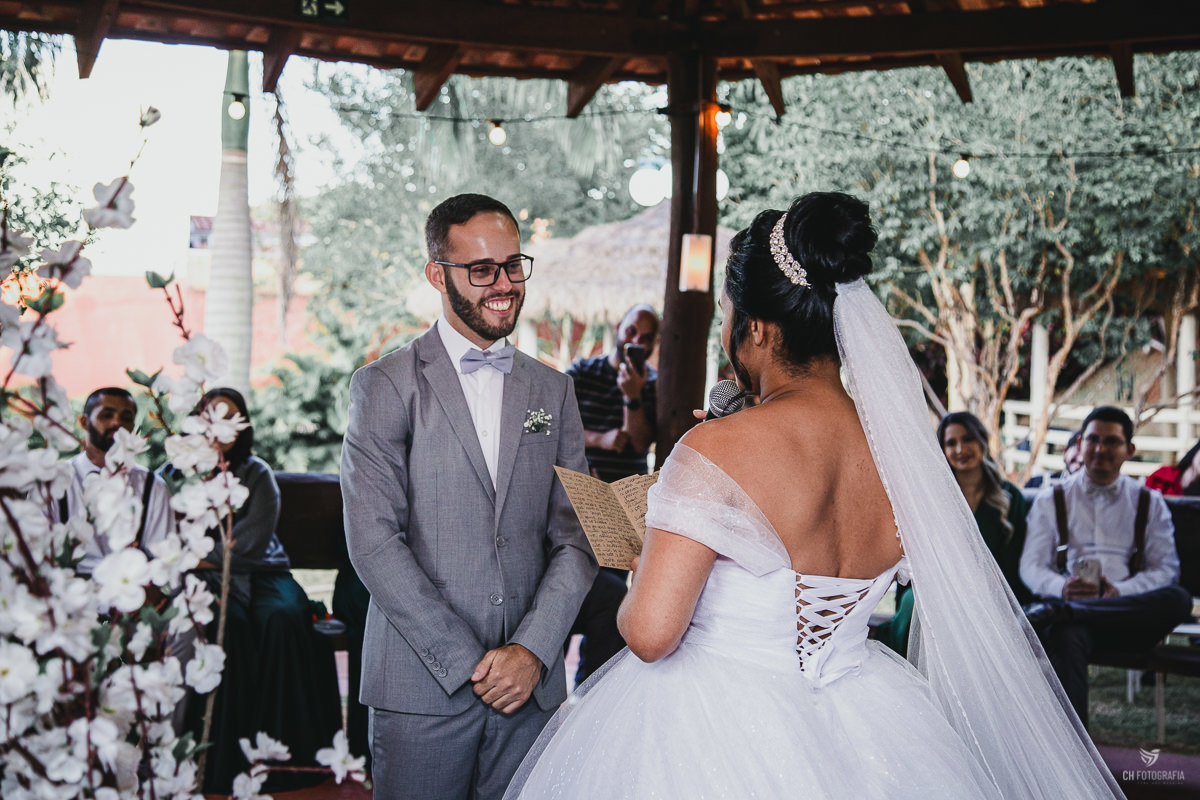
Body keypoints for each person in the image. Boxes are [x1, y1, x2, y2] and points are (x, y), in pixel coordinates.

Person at [505, 192, 1123, 799]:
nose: (727, 335)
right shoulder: (903, 457)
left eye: (728, 317)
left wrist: (644, 557)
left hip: (712, 728)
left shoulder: (717, 449)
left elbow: (649, 633)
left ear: (761, 329)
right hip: (872, 725)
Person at [341, 193, 597, 800]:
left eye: (513, 266)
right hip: (421, 686)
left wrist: (532, 651)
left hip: (529, 693)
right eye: (481, 271)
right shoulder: (383, 386)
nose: (503, 285)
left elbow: (577, 535)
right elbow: (373, 542)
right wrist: (472, 665)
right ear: (438, 275)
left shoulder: (553, 391)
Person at [178, 388, 341, 793]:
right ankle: (218, 761)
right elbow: (171, 539)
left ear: (243, 426)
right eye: (212, 414)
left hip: (266, 573)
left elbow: (249, 546)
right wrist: (207, 559)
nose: (221, 424)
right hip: (206, 583)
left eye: (231, 416)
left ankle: (286, 757)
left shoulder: (257, 473)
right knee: (223, 624)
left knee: (283, 617)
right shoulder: (176, 472)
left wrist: (199, 552)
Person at [1020, 405, 1193, 727]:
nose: (1100, 449)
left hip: (1129, 621)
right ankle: (1076, 758)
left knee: (1178, 599)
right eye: (1092, 440)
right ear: (1080, 444)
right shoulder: (1051, 499)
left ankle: (1067, 611)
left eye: (1111, 441)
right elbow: (1031, 566)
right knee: (1066, 632)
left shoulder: (1148, 502)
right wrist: (1062, 588)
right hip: (1076, 624)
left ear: (1129, 449)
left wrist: (1119, 591)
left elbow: (1165, 570)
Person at [879, 410, 1032, 656]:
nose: (960, 449)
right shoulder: (933, 496)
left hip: (988, 592)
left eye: (968, 439)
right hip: (934, 586)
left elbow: (1012, 562)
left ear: (982, 441)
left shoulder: (1010, 498)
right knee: (916, 605)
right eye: (951, 443)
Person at [564, 304, 660, 682]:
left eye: (646, 337)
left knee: (609, 603)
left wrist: (631, 395)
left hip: (619, 511)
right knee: (566, 588)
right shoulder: (581, 372)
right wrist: (600, 439)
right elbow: (555, 428)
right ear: (619, 328)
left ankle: (589, 691)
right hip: (574, 502)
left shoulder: (651, 383)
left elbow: (638, 439)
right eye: (632, 331)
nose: (637, 341)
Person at [61, 387, 173, 577]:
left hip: (132, 598)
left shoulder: (152, 486)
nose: (117, 423)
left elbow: (161, 558)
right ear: (84, 422)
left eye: (126, 418)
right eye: (106, 415)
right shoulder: (57, 479)